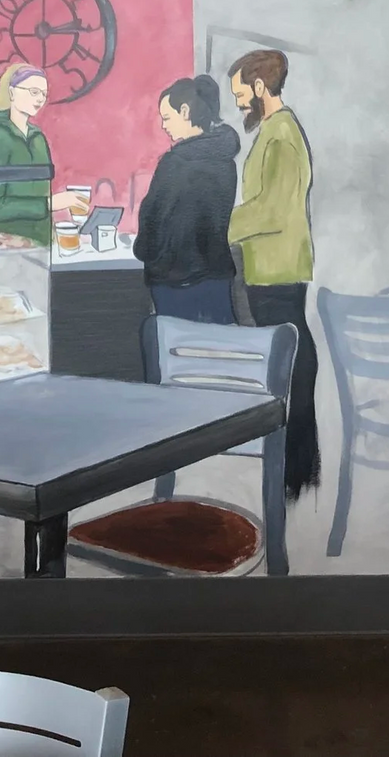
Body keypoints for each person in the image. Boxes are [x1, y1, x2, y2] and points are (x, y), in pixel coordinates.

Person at [227, 48, 320, 497]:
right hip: (272, 267)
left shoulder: (280, 134)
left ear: (260, 86)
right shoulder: (273, 130)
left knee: (289, 372)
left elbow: (271, 209)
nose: (240, 103)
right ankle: (293, 475)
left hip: (277, 270)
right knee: (286, 369)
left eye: (241, 94)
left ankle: (293, 478)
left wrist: (218, 227)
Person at [135, 75, 241, 324]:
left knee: (178, 354)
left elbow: (153, 219)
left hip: (175, 279)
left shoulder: (175, 164)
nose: (163, 126)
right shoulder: (226, 161)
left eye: (167, 117)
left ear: (185, 111)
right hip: (217, 275)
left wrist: (143, 250)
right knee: (222, 351)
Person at [0, 64, 89, 246]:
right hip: (2, 246)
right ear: (12, 93)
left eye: (43, 94)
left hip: (40, 246)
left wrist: (55, 236)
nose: (40, 99)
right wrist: (50, 204)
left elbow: (39, 198)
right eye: (34, 91)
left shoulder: (38, 139)